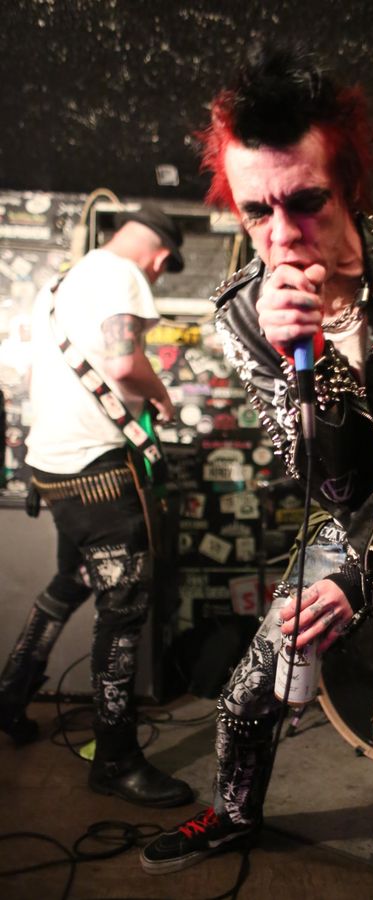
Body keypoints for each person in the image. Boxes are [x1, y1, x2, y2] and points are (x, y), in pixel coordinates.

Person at [140, 46, 373, 888]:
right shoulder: (245, 313)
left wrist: (371, 575)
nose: (281, 236)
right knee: (248, 697)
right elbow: (324, 482)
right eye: (256, 211)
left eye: (305, 201)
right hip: (343, 526)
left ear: (348, 184)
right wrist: (301, 367)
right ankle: (234, 814)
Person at [0, 203, 194, 809]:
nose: (155, 276)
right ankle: (115, 759)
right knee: (124, 608)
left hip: (52, 468)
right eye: (161, 269)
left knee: (74, 579)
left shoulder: (63, 283)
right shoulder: (122, 274)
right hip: (99, 475)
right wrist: (161, 397)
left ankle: (11, 693)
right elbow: (124, 364)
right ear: (159, 256)